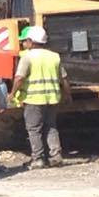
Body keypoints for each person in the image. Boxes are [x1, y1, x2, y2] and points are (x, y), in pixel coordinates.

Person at [10, 25, 70, 169]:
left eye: (25, 41)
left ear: (31, 41)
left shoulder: (27, 57)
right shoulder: (54, 56)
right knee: (51, 127)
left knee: (34, 129)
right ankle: (56, 156)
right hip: (52, 98)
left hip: (33, 99)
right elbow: (64, 79)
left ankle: (38, 159)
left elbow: (19, 78)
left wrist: (12, 93)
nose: (23, 44)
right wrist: (67, 94)